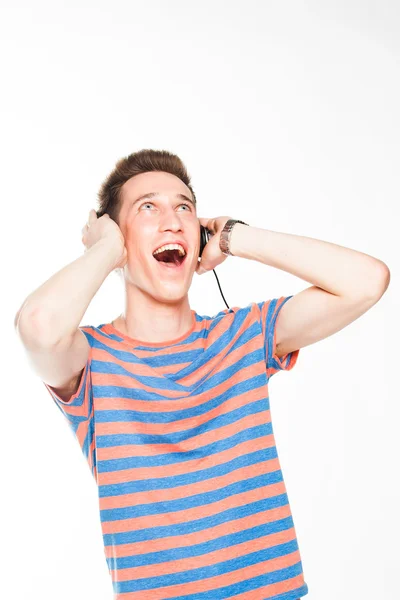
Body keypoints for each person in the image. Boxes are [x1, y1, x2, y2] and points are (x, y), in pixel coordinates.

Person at [14, 149, 390, 600]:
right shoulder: (91, 360)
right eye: (147, 207)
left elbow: (368, 281)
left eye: (184, 208)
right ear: (117, 236)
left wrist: (236, 237)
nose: (172, 220)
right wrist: (108, 248)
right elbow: (37, 327)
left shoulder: (245, 336)